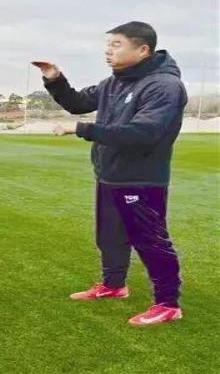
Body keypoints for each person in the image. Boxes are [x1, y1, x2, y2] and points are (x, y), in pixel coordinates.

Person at [33, 21, 187, 326]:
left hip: (142, 178)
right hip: (109, 174)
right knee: (110, 237)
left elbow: (144, 132)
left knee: (151, 241)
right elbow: (77, 103)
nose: (108, 51)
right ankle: (114, 285)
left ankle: (168, 303)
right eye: (108, 45)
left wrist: (83, 129)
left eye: (116, 44)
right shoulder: (113, 82)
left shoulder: (164, 86)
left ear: (143, 50)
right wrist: (55, 79)